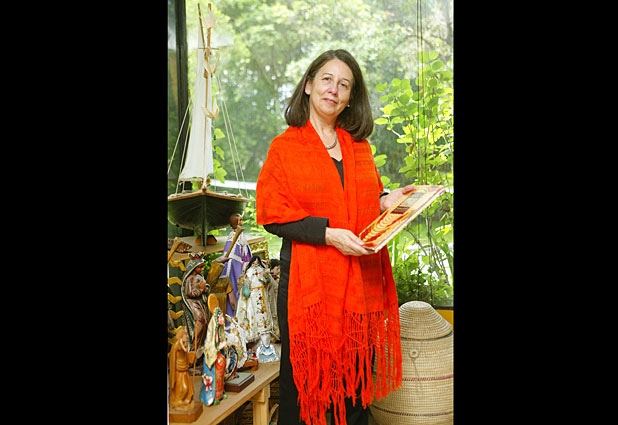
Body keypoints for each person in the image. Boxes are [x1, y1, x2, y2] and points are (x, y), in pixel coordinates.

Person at [256, 49, 414, 425]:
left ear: (350, 97)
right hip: (308, 290)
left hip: (358, 290)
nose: (334, 89)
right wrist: (327, 235)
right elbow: (272, 215)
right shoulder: (285, 148)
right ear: (309, 85)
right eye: (327, 79)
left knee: (354, 390)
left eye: (344, 84)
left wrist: (387, 200)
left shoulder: (358, 148)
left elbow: (363, 203)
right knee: (303, 391)